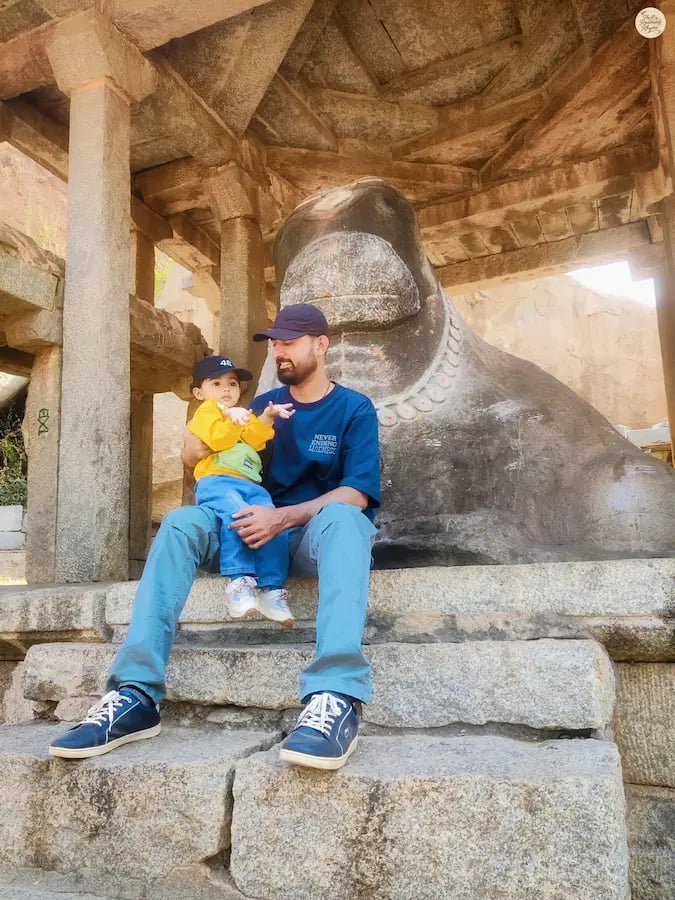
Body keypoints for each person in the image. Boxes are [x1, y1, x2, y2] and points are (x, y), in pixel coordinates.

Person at [49, 303, 381, 771]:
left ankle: (336, 696)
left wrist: (282, 518)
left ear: (321, 345)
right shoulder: (259, 407)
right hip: (245, 529)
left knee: (348, 518)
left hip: (311, 535)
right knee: (182, 522)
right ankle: (136, 693)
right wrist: (194, 443)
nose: (279, 352)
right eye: (275, 344)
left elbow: (358, 492)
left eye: (289, 343)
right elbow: (202, 453)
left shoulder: (353, 408)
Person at [188, 354, 295, 627]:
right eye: (217, 383)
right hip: (218, 481)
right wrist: (228, 416)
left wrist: (267, 418)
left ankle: (273, 588)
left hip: (250, 485)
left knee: (271, 523)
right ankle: (240, 582)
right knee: (240, 518)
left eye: (233, 384)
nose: (226, 389)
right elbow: (217, 438)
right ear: (200, 392)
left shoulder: (241, 415)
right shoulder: (207, 412)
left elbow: (256, 441)